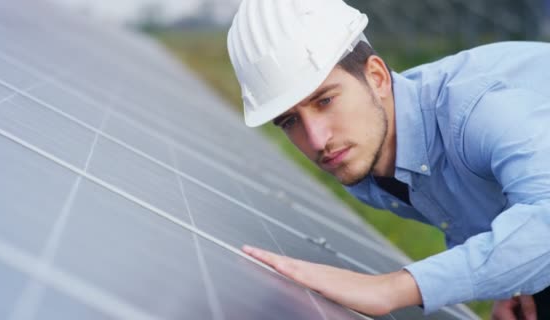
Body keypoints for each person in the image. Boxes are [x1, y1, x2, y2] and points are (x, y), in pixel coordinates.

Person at [226, 0, 550, 318]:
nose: (316, 139)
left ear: (377, 77)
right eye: (289, 121)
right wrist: (512, 281)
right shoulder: (363, 162)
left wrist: (389, 289)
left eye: (325, 101)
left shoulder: (479, 112)